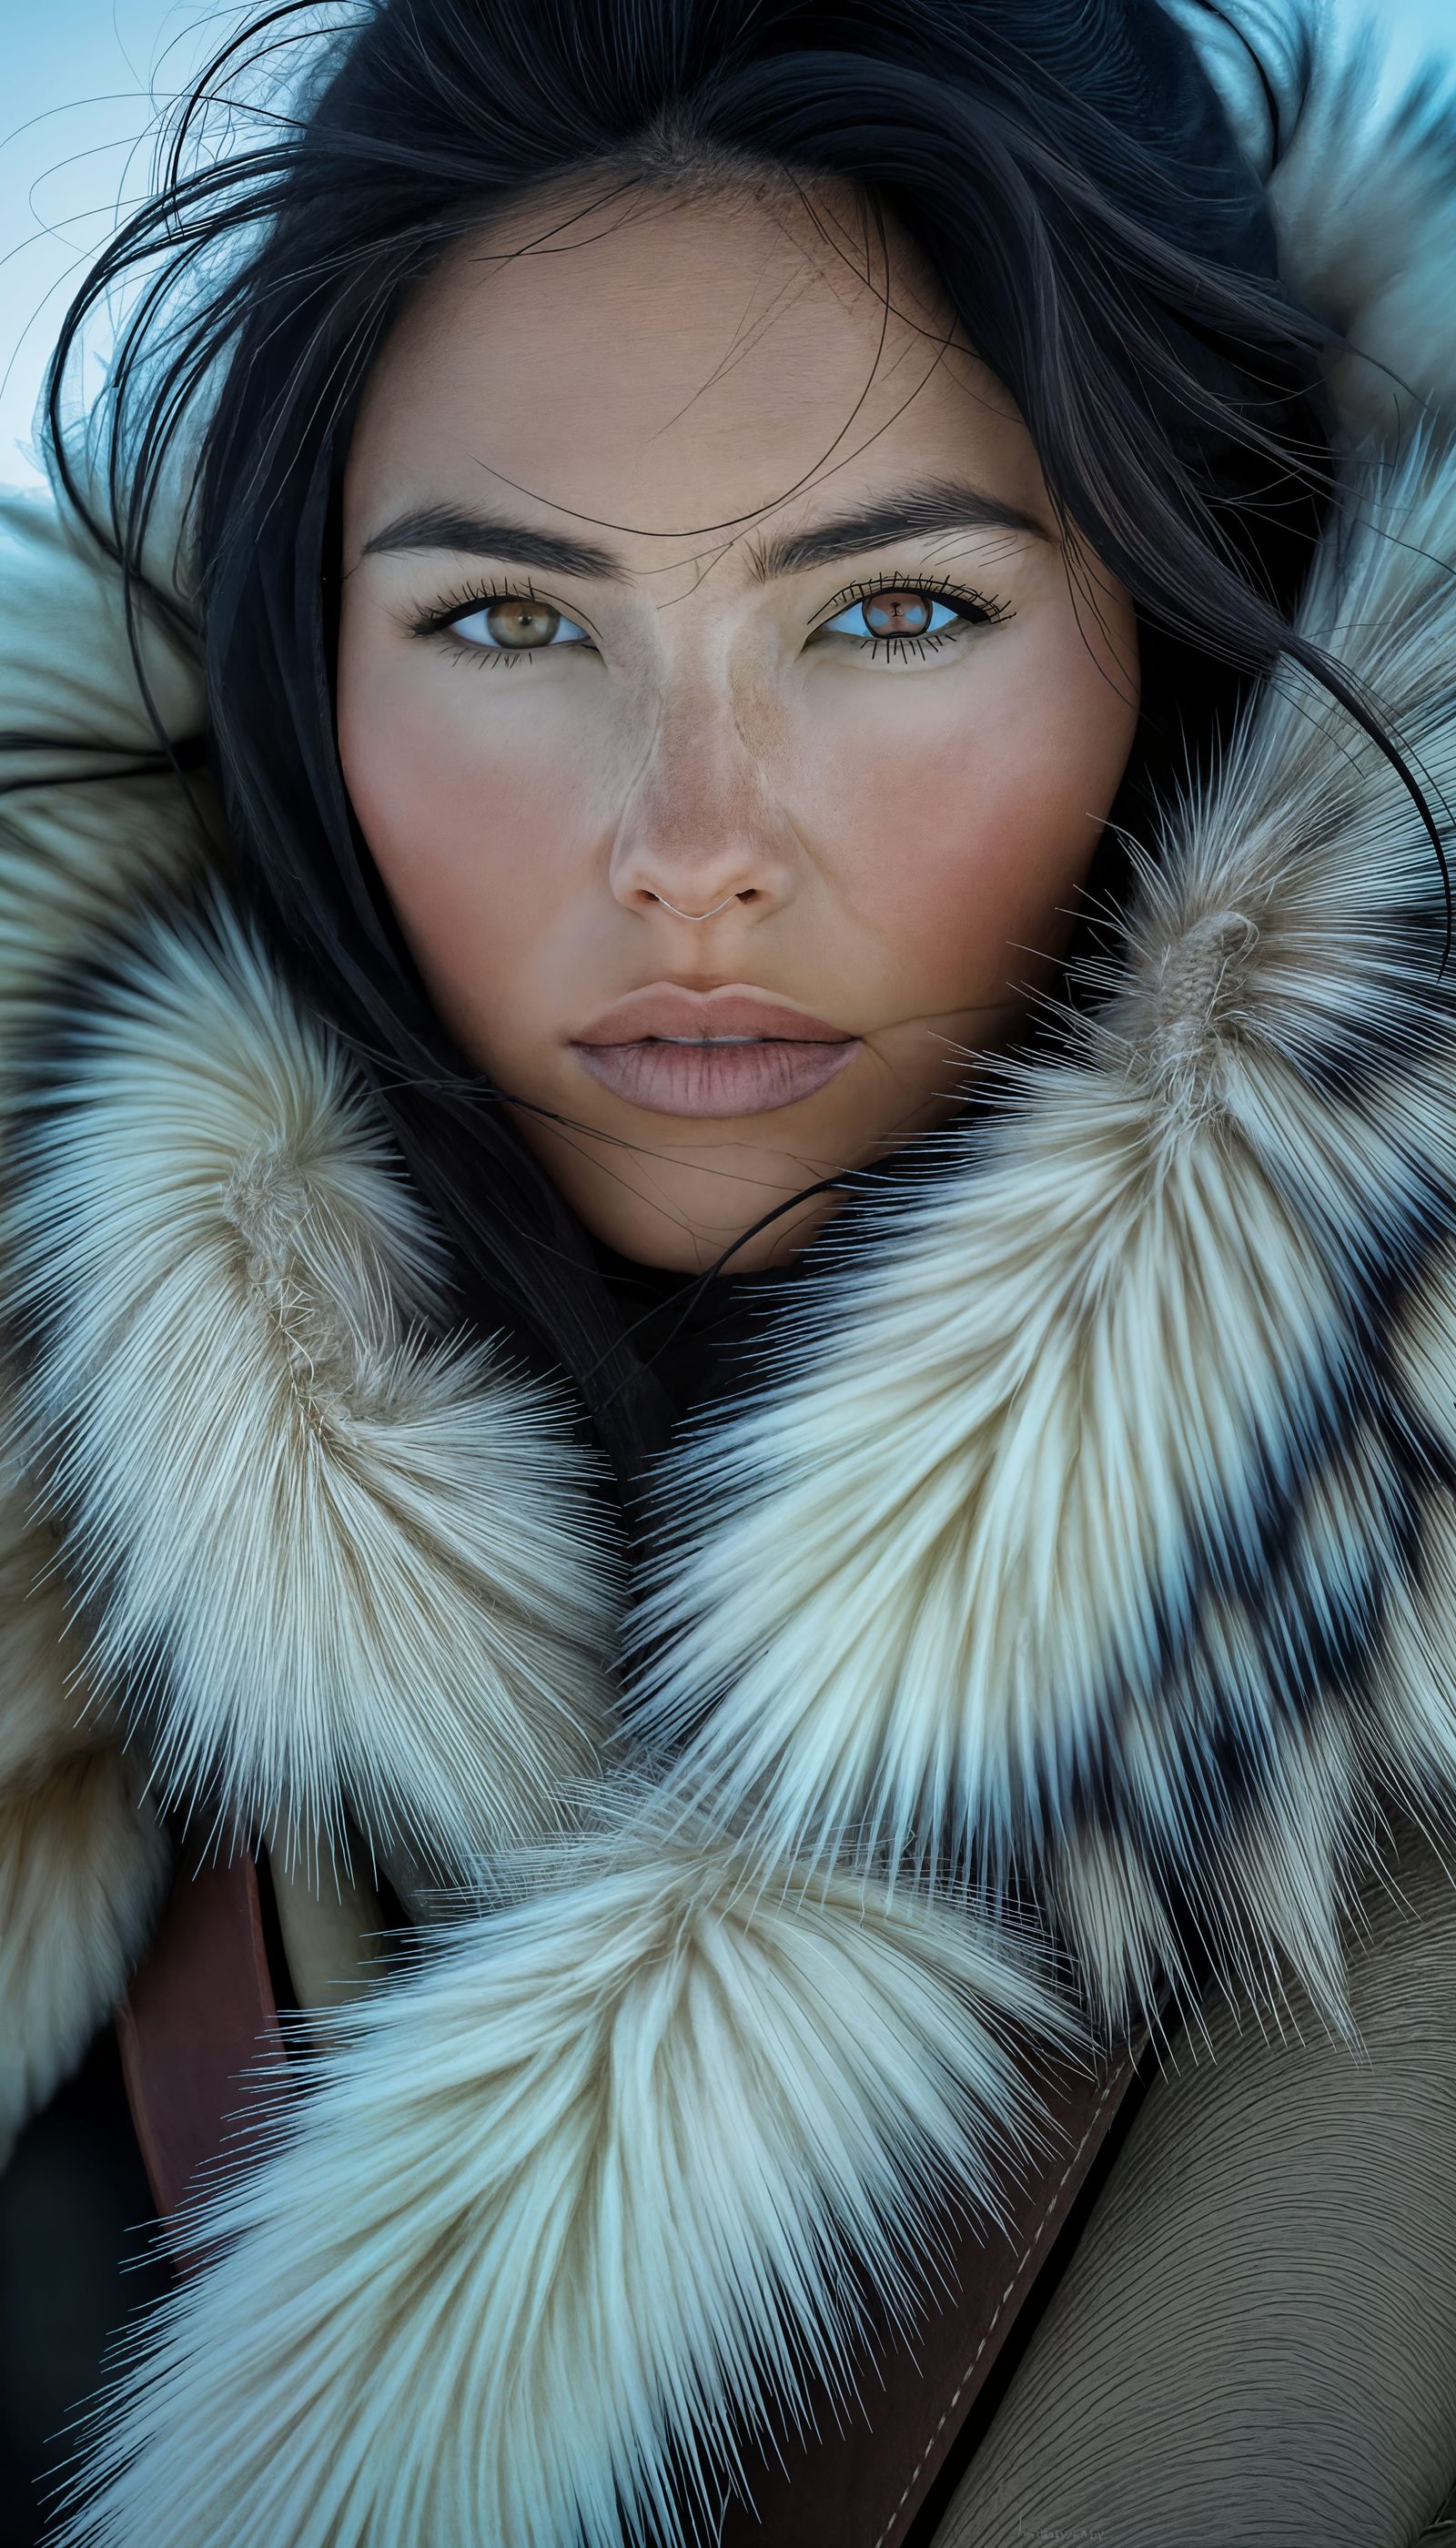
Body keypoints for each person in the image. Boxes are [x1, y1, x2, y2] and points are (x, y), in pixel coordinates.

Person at [1, 0, 1455, 2540]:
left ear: (1196, 625)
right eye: (509, 624)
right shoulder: (64, 1589)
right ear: (294, 666)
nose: (690, 847)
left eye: (891, 613)